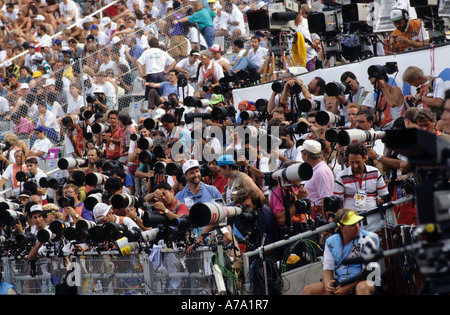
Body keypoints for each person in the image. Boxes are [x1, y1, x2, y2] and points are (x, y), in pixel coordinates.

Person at [301, 208, 379, 295]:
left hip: (365, 281)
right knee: (308, 290)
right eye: (352, 224)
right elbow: (327, 269)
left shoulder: (368, 239)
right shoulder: (331, 242)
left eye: (357, 222)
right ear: (342, 228)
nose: (357, 226)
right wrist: (328, 285)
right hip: (341, 282)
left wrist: (346, 288)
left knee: (362, 287)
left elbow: (367, 272)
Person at [333, 143, 390, 233]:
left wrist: (382, 199)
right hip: (351, 221)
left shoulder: (375, 172)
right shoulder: (341, 176)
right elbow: (337, 201)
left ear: (365, 158)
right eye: (351, 162)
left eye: (357, 162)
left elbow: (385, 195)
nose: (355, 166)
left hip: (373, 221)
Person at [297, 140, 334, 217]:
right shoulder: (317, 169)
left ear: (306, 156)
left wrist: (325, 225)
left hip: (318, 215)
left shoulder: (321, 172)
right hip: (313, 213)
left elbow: (325, 200)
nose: (301, 156)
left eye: (302, 154)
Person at [136, 37, 176, 103]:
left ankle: (149, 110)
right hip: (161, 74)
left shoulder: (147, 52)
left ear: (149, 44)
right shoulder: (163, 52)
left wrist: (142, 74)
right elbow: (173, 62)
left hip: (151, 75)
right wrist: (167, 71)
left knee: (150, 95)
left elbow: (138, 62)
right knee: (160, 95)